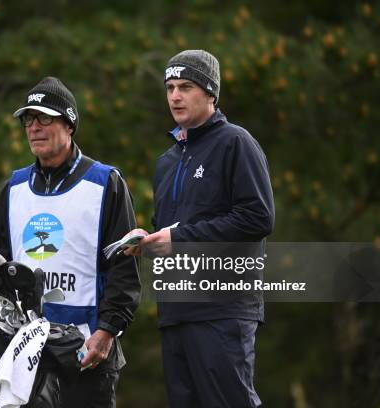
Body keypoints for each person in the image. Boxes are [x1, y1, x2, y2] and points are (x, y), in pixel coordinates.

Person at [126, 50, 275, 407]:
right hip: (176, 311)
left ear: (211, 93)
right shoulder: (167, 161)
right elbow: (174, 226)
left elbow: (258, 217)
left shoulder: (236, 142)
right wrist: (146, 239)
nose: (175, 96)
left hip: (222, 310)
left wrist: (179, 239)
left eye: (186, 87)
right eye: (170, 88)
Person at [0, 76, 141, 408]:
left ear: (69, 124)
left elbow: (125, 267)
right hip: (24, 355)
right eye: (28, 119)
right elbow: (0, 271)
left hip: (87, 353)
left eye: (44, 117)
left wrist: (108, 330)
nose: (34, 127)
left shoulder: (105, 183)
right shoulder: (13, 188)